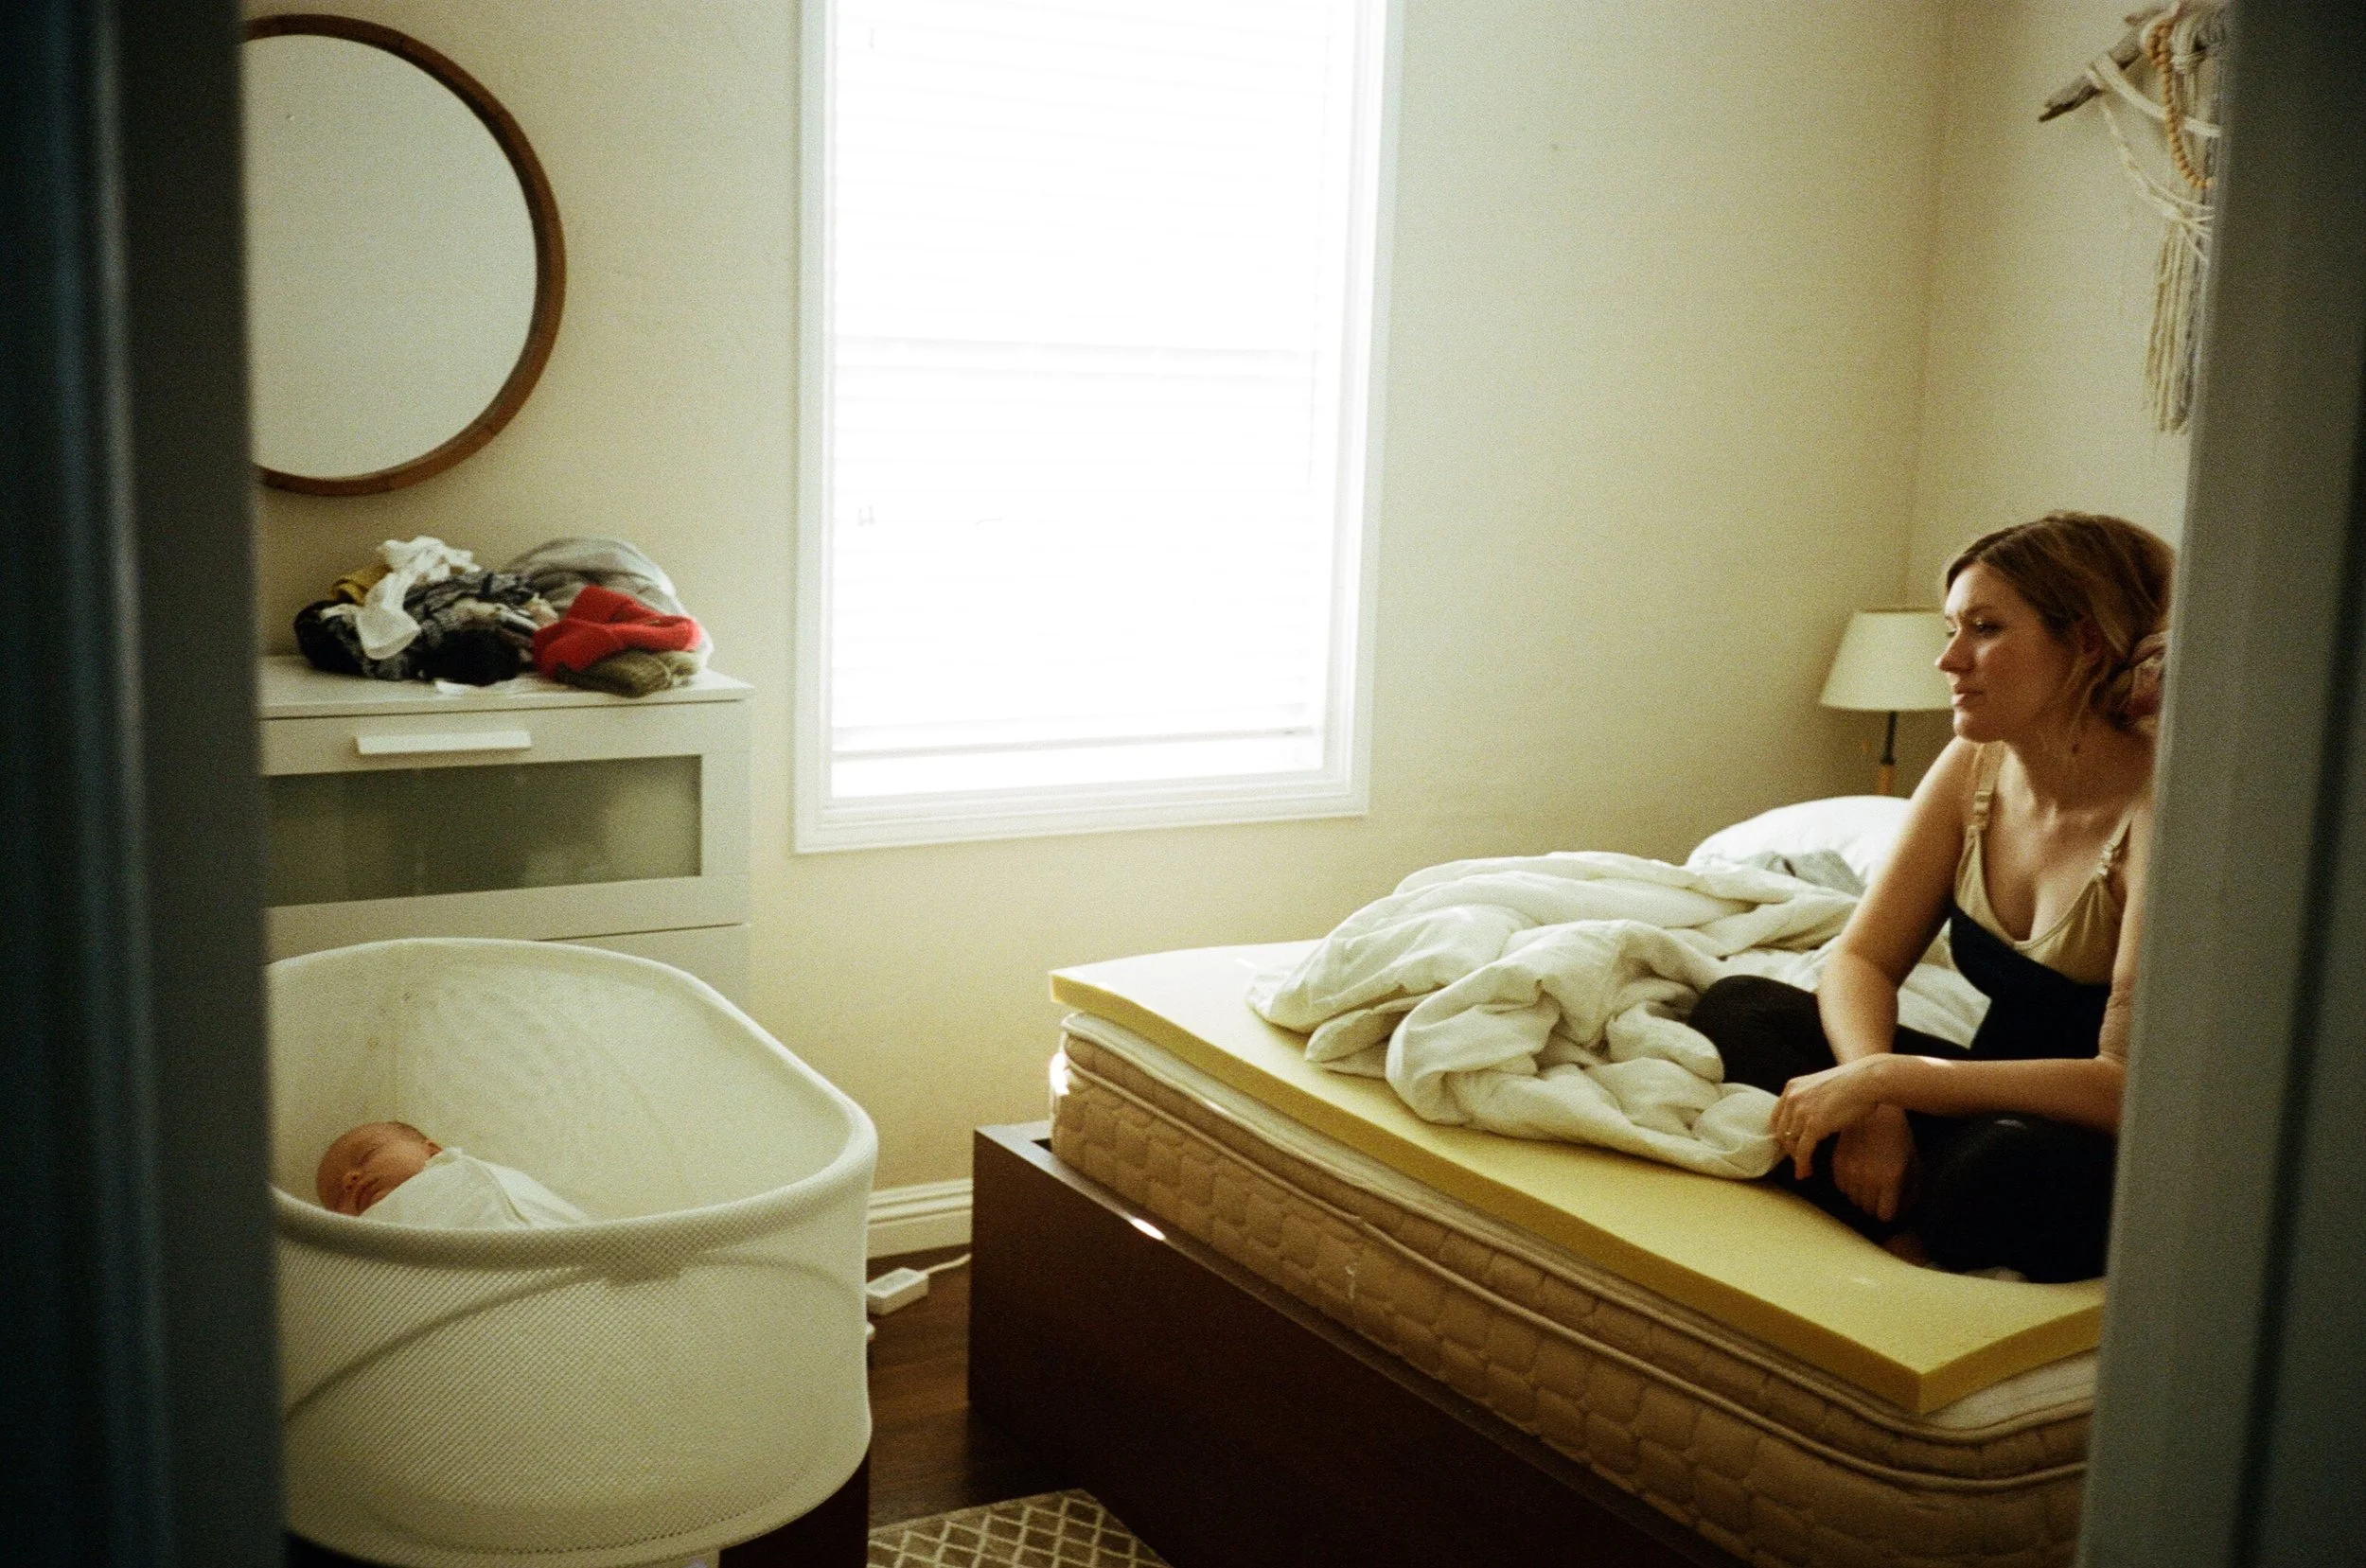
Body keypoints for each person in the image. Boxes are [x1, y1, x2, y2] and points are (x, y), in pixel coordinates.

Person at [1691, 512, 2172, 1282]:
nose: (1949, 660)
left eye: (1983, 628)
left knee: (1998, 1167)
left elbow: (2123, 1086)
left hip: (2076, 1134)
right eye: (1951, 629)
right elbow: (1862, 957)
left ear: (2083, 643)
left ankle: (1912, 1210)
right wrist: (1872, 1103)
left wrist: (1890, 1080)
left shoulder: (2160, 806)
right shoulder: (1972, 763)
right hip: (1959, 1108)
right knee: (1738, 1007)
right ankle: (1915, 1213)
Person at [315, 1120, 587, 1228]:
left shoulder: (451, 1172)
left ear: (432, 1151)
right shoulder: (370, 1246)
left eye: (366, 1156)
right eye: (337, 1199)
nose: (349, 1180)